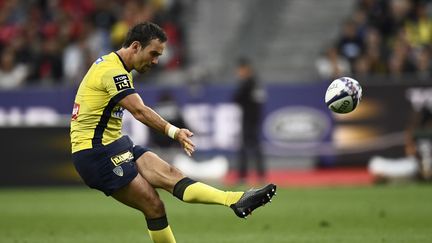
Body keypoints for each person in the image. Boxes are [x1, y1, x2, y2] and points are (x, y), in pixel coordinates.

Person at [70, 22, 276, 243]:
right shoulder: (112, 71)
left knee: (171, 173)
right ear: (136, 46)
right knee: (154, 205)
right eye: (153, 53)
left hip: (114, 144)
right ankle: (233, 200)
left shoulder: (117, 67)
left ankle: (235, 199)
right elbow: (139, 111)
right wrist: (175, 132)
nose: (156, 61)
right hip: (95, 154)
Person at [233, 57, 267, 183]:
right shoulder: (256, 83)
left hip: (249, 120)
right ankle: (261, 175)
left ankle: (243, 176)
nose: (238, 72)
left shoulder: (248, 83)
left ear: (245, 69)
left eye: (240, 70)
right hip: (254, 119)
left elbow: (236, 97)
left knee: (246, 149)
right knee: (256, 148)